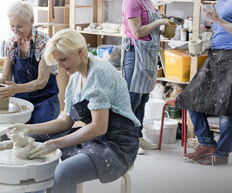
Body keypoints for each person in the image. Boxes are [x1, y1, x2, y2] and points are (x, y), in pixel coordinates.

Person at [9, 29, 140, 193]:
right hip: (94, 135)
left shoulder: (99, 73)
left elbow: (99, 127)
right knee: (32, 139)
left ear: (80, 51)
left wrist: (55, 143)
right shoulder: (76, 77)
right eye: (58, 61)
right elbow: (66, 120)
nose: (61, 66)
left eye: (63, 59)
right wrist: (28, 128)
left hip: (117, 142)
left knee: (65, 172)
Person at [176, 0, 232, 165]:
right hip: (216, 55)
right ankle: (207, 143)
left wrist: (217, 21)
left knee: (228, 108)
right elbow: (223, 27)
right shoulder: (223, 0)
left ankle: (221, 155)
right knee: (190, 98)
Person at [122, 0, 172, 155]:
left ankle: (137, 136)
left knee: (143, 97)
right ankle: (126, 140)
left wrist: (165, 29)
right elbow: (136, 31)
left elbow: (148, 29)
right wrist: (159, 22)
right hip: (135, 54)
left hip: (147, 53)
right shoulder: (131, 0)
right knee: (132, 98)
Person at [0, 1, 59, 124]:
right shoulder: (11, 44)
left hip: (45, 101)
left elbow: (42, 81)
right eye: (12, 26)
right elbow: (5, 76)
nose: (15, 30)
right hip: (20, 101)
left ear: (31, 21)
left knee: (36, 136)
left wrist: (16, 88)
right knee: (11, 134)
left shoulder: (44, 42)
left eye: (19, 26)